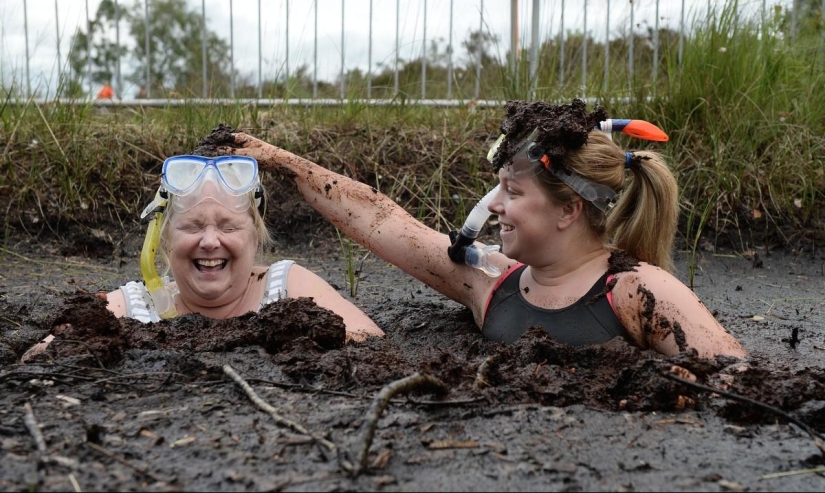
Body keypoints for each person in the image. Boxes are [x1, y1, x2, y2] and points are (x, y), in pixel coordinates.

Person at [218, 99, 746, 359]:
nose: (492, 206)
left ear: (569, 212)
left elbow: (733, 376)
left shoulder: (639, 291)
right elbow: (379, 218)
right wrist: (273, 159)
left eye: (513, 193)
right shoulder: (490, 280)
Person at [23, 155, 383, 361]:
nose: (210, 242)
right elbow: (41, 356)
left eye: (228, 227)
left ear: (255, 236)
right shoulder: (138, 305)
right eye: (192, 226)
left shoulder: (287, 285)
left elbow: (373, 342)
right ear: (161, 242)